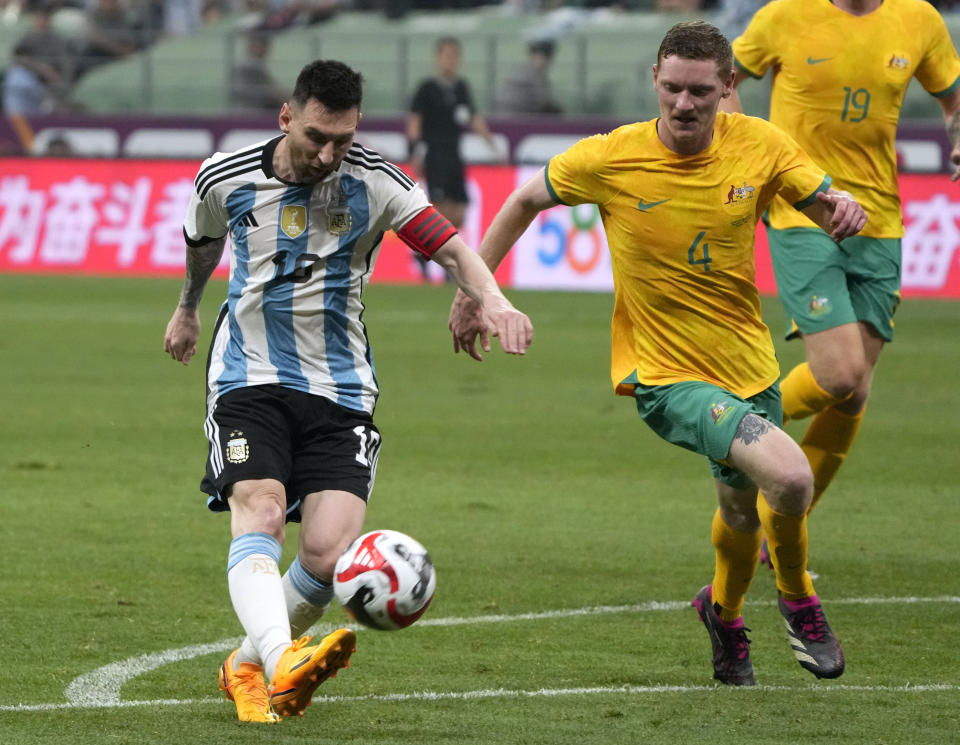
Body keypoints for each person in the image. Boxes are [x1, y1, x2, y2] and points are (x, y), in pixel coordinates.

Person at [449, 21, 866, 686]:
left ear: (728, 86)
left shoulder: (758, 145)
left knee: (738, 513)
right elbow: (525, 198)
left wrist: (840, 208)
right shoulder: (613, 156)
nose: (682, 104)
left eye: (700, 91)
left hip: (749, 367)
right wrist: (479, 291)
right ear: (654, 79)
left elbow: (820, 201)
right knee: (789, 478)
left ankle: (723, 614)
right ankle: (799, 599)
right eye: (671, 87)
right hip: (666, 377)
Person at [163, 59, 533, 723]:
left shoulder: (375, 180)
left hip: (340, 387)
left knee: (329, 554)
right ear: (286, 117)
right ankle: (282, 662)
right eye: (316, 137)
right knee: (264, 512)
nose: (329, 153)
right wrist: (188, 306)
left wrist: (494, 298)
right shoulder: (226, 175)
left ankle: (247, 664)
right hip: (248, 376)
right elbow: (203, 241)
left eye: (343, 139)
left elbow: (450, 248)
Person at [722, 0, 960, 567]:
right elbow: (726, 78)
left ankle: (784, 527)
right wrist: (743, 147)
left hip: (880, 221)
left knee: (854, 392)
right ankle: (737, 424)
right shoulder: (783, 15)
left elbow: (953, 96)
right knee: (840, 373)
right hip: (804, 209)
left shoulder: (919, 19)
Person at [406, 36, 502, 279]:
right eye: (446, 55)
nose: (450, 60)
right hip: (434, 154)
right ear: (437, 57)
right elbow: (415, 122)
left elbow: (473, 118)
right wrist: (416, 149)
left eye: (454, 55)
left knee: (459, 212)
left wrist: (492, 144)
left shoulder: (461, 88)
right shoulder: (426, 88)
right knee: (439, 209)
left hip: (455, 155)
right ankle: (439, 258)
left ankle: (430, 251)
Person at [1, 0, 75, 115]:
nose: (42, 21)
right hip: (30, 80)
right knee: (17, 77)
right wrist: (41, 68)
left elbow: (64, 69)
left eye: (45, 17)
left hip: (47, 86)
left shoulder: (57, 40)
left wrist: (54, 76)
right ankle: (15, 122)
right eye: (39, 17)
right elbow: (18, 58)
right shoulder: (27, 37)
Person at [493, 39, 563, 115]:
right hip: (519, 119)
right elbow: (544, 102)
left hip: (500, 116)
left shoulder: (518, 70)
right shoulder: (535, 75)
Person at [228, 30, 288, 111]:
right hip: (250, 113)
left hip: (252, 111)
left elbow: (272, 90)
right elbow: (270, 92)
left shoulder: (253, 66)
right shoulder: (249, 66)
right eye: (264, 46)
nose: (266, 51)